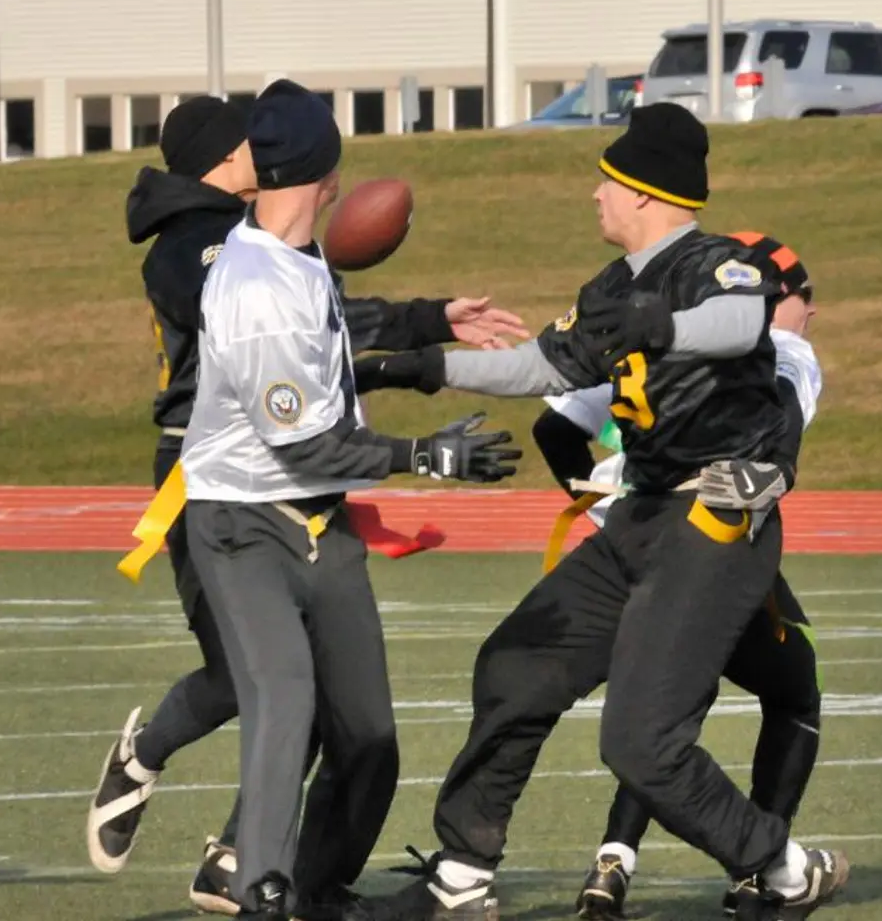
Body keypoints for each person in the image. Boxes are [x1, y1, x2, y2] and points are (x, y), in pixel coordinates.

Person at [360, 104, 847, 921]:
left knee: (640, 744)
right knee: (514, 666)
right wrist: (412, 368)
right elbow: (536, 368)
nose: (595, 196)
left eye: (608, 181)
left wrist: (664, 324)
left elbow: (739, 322)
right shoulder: (610, 288)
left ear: (646, 193)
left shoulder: (712, 264)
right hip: (641, 518)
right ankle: (463, 876)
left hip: (716, 520)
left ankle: (787, 868)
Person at [87, 95, 529, 913]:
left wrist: (424, 329)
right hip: (229, 495)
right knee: (271, 690)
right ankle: (250, 870)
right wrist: (423, 450)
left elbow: (327, 337)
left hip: (311, 497)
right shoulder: (218, 262)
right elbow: (296, 415)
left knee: (359, 731)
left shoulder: (289, 253)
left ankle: (302, 881)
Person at [530, 233, 823, 919]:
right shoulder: (784, 351)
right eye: (806, 300)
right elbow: (777, 431)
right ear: (780, 298)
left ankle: (607, 864)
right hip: (704, 541)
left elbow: (553, 429)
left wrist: (601, 503)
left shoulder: (654, 331)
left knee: (642, 707)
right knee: (784, 692)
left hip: (622, 537)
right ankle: (761, 872)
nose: (811, 316)